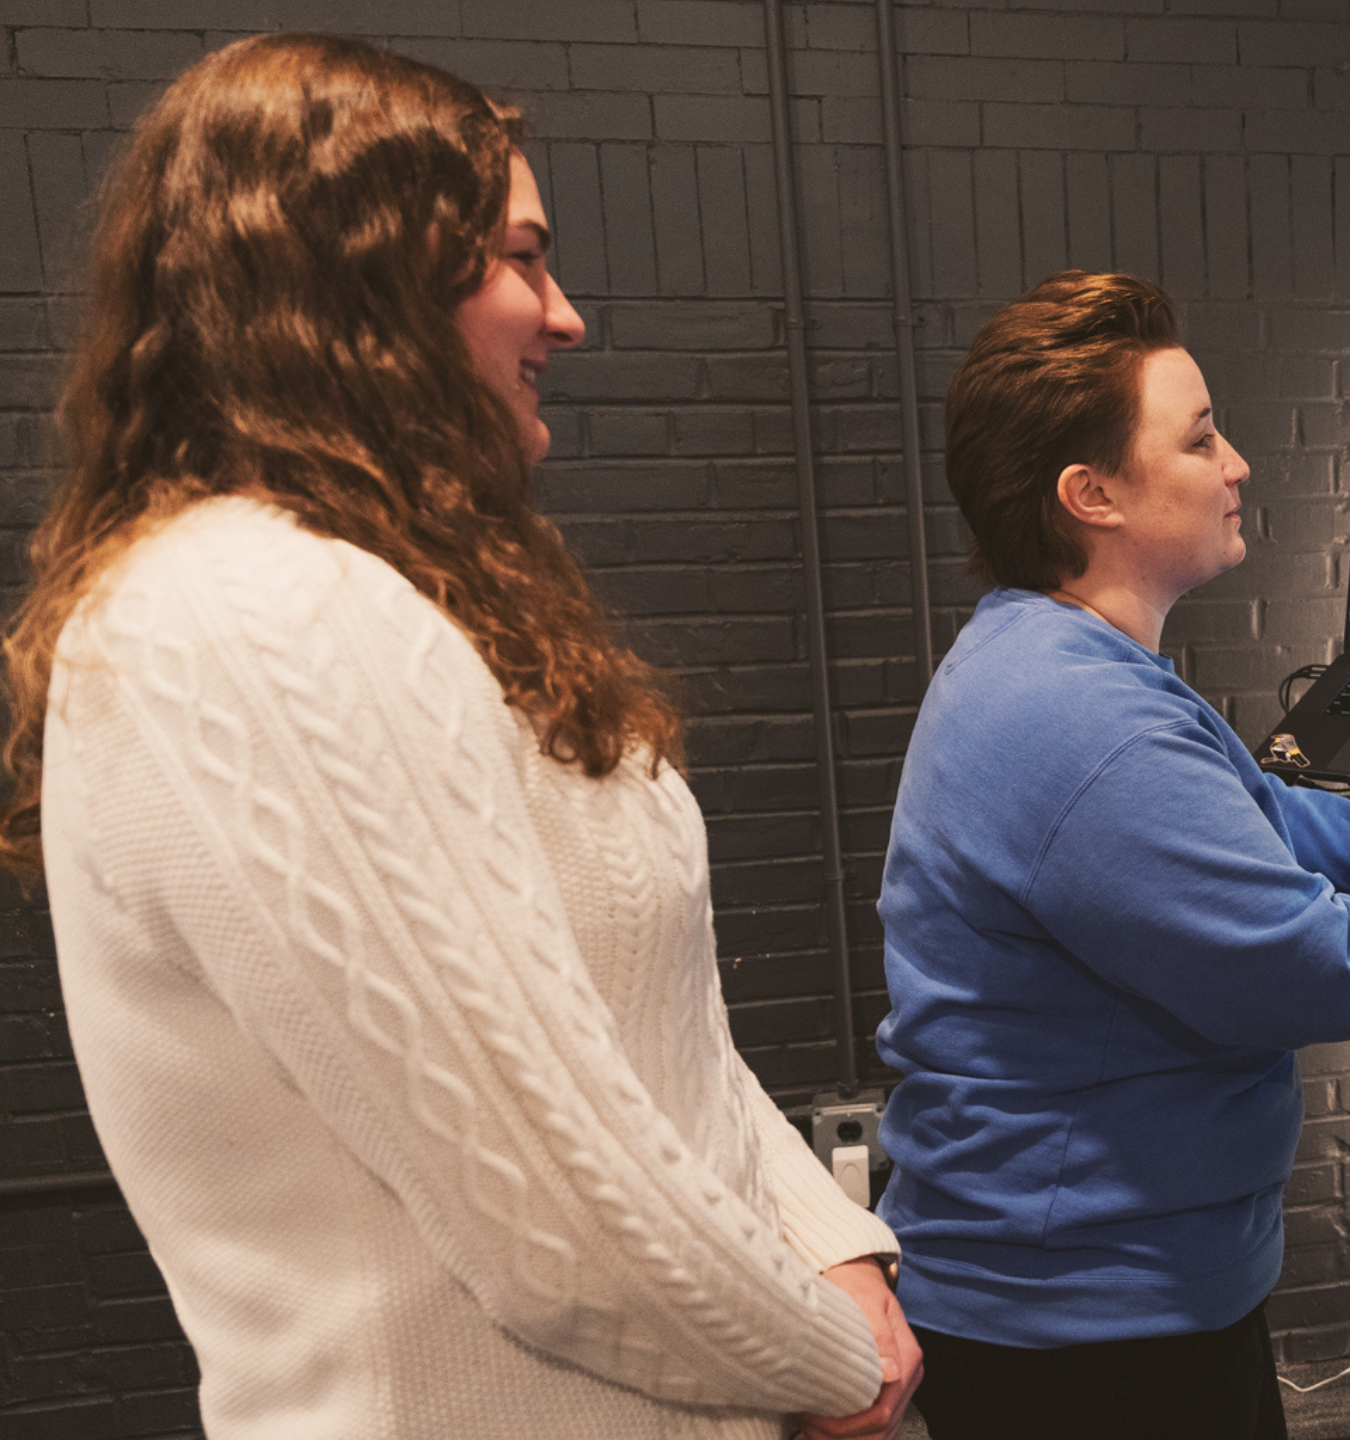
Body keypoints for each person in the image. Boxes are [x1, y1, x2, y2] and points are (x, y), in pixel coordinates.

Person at [0, 34, 917, 1440]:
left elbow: (639, 1023)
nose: (566, 317)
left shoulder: (409, 591)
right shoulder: (250, 613)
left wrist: (827, 1244)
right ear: (361, 275)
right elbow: (554, 1212)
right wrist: (830, 1361)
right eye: (520, 260)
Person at [874, 271, 1350, 1439]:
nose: (1238, 465)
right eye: (1203, 438)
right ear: (1093, 493)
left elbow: (1251, 812)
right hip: (1085, 1327)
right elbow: (1304, 966)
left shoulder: (1054, 656)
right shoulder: (1084, 724)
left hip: (1095, 1283)